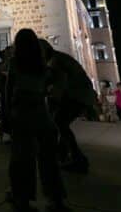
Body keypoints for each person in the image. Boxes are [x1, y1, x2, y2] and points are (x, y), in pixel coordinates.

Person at [6, 29, 66, 212]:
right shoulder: (42, 65)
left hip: (22, 112)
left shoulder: (15, 63)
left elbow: (9, 90)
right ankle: (56, 198)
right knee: (48, 159)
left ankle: (21, 196)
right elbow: (53, 83)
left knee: (22, 158)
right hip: (41, 111)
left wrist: (7, 116)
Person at [41, 40, 95, 174]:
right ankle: (64, 154)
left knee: (59, 121)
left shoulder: (55, 61)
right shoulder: (58, 58)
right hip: (81, 95)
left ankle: (77, 158)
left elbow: (59, 82)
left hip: (77, 96)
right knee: (60, 123)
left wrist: (50, 96)